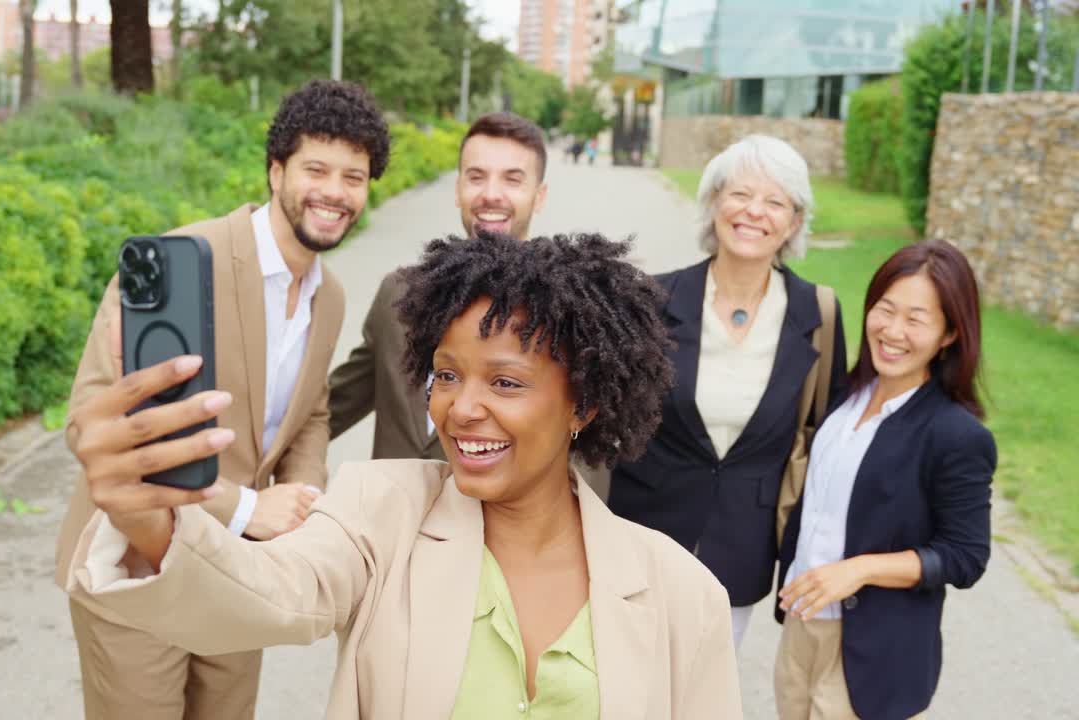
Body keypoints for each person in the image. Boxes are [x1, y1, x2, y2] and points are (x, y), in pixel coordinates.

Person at [63, 233, 743, 719]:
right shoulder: (377, 511)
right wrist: (146, 516)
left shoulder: (683, 596)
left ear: (584, 405)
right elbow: (267, 592)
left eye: (506, 382)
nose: (460, 408)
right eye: (445, 375)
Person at [53, 79, 391, 720]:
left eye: (355, 177)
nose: (335, 193)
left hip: (239, 572)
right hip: (139, 564)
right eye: (316, 168)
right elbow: (91, 420)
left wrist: (304, 501)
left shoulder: (331, 294)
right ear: (275, 171)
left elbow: (312, 412)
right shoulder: (181, 260)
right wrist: (245, 506)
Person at [606, 135, 848, 649]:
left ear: (795, 222)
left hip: (741, 546)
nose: (754, 212)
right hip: (640, 536)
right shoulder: (650, 299)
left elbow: (825, 435)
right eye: (739, 194)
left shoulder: (818, 314)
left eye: (775, 201)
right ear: (714, 201)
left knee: (705, 691)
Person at [773, 241, 996, 720]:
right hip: (801, 629)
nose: (893, 331)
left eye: (916, 319)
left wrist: (861, 569)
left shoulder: (956, 435)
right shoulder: (844, 398)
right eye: (885, 310)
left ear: (949, 334)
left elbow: (966, 556)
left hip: (874, 654)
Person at [328, 112, 548, 460]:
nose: (491, 194)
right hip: (391, 512)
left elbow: (585, 468)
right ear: (458, 189)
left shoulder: (562, 314)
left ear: (539, 196)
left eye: (512, 180)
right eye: (476, 177)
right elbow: (333, 406)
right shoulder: (399, 294)